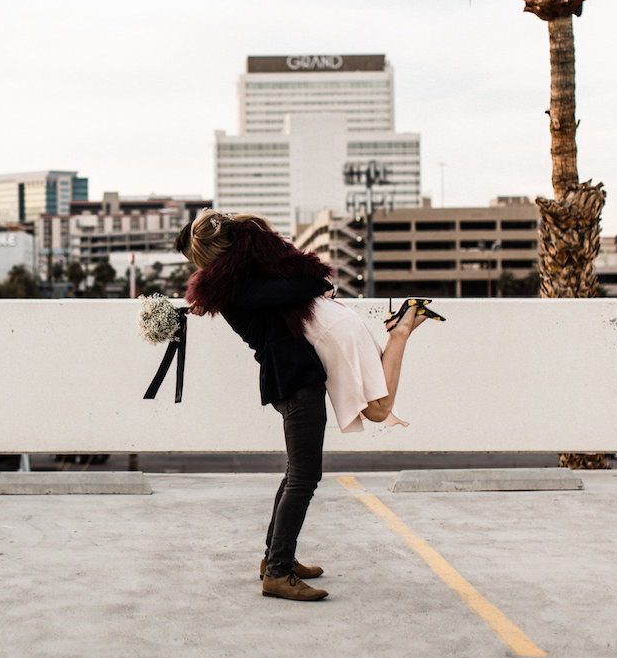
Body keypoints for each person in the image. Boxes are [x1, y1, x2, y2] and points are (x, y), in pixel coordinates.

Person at [175, 209, 440, 601]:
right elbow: (306, 284)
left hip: (295, 376)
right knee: (303, 477)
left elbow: (302, 286)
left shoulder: (238, 284)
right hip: (294, 380)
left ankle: (275, 559)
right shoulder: (241, 290)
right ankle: (278, 573)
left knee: (295, 475)